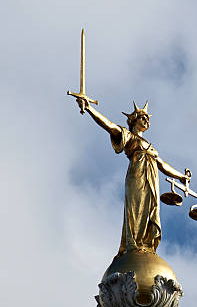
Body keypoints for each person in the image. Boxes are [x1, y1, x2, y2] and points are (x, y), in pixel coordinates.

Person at [76, 98, 188, 256]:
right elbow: (109, 125)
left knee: (150, 210)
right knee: (136, 209)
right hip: (137, 176)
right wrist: (89, 109)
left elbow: (162, 165)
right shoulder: (128, 136)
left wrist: (181, 177)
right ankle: (133, 244)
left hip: (152, 180)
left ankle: (145, 244)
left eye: (148, 119)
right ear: (133, 120)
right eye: (143, 118)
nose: (146, 121)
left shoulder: (150, 146)